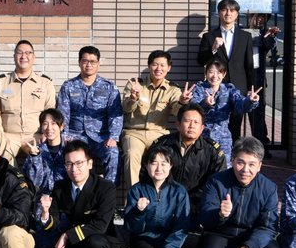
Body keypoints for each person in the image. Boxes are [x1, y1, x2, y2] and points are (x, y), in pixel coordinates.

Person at [197, 136, 282, 248]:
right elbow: (203, 217)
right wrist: (220, 214)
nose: (245, 170)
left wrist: (248, 247)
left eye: (252, 165)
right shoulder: (216, 181)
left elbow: (268, 226)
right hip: (220, 234)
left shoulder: (268, 188)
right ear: (233, 160)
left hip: (251, 236)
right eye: (240, 162)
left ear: (259, 166)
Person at [36, 141, 119, 248]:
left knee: (96, 243)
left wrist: (68, 235)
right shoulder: (61, 187)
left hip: (101, 244)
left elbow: (100, 225)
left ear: (90, 163)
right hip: (74, 246)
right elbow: (52, 222)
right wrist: (45, 213)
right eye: (69, 164)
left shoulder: (105, 188)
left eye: (79, 163)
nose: (74, 169)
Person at [122, 146, 190, 248]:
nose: (159, 168)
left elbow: (182, 226)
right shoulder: (136, 190)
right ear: (146, 165)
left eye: (164, 163)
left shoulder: (179, 191)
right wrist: (138, 212)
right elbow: (131, 227)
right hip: (143, 239)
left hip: (168, 239)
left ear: (171, 166)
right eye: (153, 163)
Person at [57, 46, 122, 183]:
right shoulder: (68, 86)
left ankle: (108, 195)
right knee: (60, 150)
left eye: (93, 61)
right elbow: (63, 114)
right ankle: (63, 194)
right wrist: (64, 134)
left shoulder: (109, 87)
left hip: (100, 137)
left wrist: (113, 136)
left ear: (98, 63)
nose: (89, 65)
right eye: (85, 61)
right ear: (79, 62)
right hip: (75, 136)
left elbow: (115, 114)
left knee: (113, 153)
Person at [121, 50, 183, 186]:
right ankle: (134, 197)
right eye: (155, 65)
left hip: (158, 135)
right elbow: (126, 109)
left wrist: (183, 102)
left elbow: (176, 111)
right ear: (149, 66)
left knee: (164, 161)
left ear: (169, 68)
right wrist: (133, 98)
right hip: (134, 133)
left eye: (162, 65)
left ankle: (160, 198)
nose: (158, 69)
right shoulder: (135, 84)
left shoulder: (173, 89)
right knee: (131, 155)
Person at [146, 105, 226, 208]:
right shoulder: (162, 145)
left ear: (202, 128)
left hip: (196, 207)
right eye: (187, 121)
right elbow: (146, 173)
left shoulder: (212, 151)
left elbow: (217, 182)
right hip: (163, 203)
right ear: (178, 125)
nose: (191, 125)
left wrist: (190, 201)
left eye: (196, 122)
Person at [197, 0, 255, 141]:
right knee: (214, 123)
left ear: (236, 14)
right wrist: (213, 49)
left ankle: (232, 158)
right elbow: (200, 61)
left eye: (232, 10)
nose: (228, 13)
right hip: (215, 88)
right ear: (219, 13)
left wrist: (250, 87)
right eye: (224, 10)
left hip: (238, 87)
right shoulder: (209, 36)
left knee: (235, 124)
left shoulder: (245, 36)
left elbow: (249, 64)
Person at [0, 40, 57, 156]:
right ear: (14, 57)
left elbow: (50, 112)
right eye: (19, 53)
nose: (24, 56)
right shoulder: (0, 82)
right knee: (2, 163)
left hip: (35, 135)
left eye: (28, 53)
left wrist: (45, 133)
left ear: (34, 57)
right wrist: (0, 136)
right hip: (8, 136)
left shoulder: (45, 83)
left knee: (39, 161)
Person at [187, 59, 259, 153]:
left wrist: (250, 101)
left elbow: (240, 105)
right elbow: (193, 108)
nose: (215, 76)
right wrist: (205, 103)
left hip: (223, 138)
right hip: (201, 137)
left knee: (224, 166)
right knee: (201, 166)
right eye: (211, 72)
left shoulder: (229, 90)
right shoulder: (199, 88)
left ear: (224, 74)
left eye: (219, 72)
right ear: (206, 73)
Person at [247, 14, 280, 152]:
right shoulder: (241, 32)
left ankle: (261, 146)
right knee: (237, 112)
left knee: (258, 112)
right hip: (242, 75)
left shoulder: (267, 32)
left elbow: (270, 46)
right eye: (257, 17)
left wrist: (268, 36)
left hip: (258, 77)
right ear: (250, 17)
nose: (260, 20)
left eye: (263, 18)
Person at [23, 108, 67, 200]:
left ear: (62, 126)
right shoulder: (36, 151)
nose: (49, 128)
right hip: (42, 200)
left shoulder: (69, 150)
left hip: (65, 200)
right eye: (45, 124)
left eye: (53, 123)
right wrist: (35, 158)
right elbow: (34, 182)